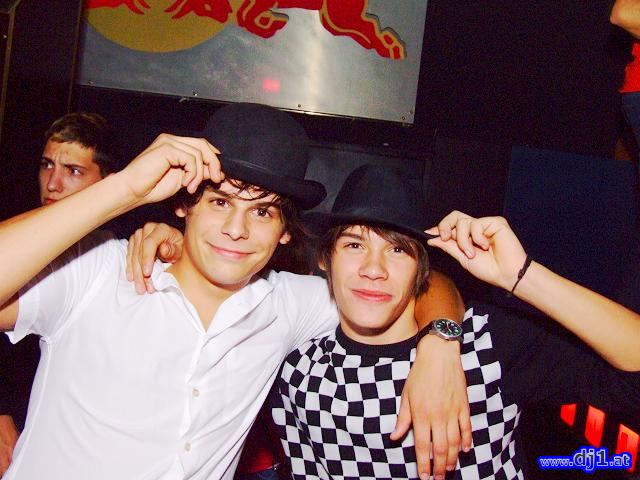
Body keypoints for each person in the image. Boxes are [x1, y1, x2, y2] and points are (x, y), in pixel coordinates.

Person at [0, 103, 470, 479]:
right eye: (220, 202)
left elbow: (420, 285)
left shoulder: (287, 304)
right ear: (184, 205)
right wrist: (125, 191)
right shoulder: (98, 271)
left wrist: (440, 345)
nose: (236, 229)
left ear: (285, 231)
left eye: (262, 212)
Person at [270, 163, 640, 480]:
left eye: (398, 249)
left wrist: (521, 276)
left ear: (421, 269)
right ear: (325, 259)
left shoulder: (486, 344)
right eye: (354, 245)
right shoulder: (295, 361)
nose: (374, 269)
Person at [0, 112, 120, 476]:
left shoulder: (121, 256)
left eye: (73, 171)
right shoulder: (18, 242)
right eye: (47, 165)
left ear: (108, 183)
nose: (53, 184)